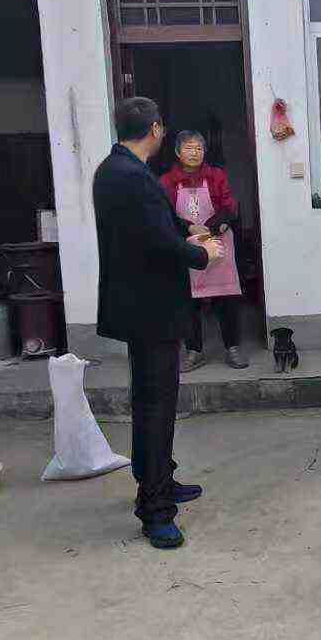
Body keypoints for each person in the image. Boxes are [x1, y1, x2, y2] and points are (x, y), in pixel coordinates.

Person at [93, 97, 221, 550]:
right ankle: (156, 509)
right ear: (155, 129)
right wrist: (202, 253)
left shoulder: (118, 170)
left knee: (152, 402)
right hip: (150, 311)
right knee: (155, 407)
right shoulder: (130, 176)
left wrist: (186, 232)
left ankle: (160, 479)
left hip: (142, 307)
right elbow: (155, 242)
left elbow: (151, 228)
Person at [161, 130, 249, 372]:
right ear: (178, 152)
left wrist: (216, 225)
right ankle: (194, 351)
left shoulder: (216, 176)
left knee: (227, 298)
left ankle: (233, 347)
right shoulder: (167, 181)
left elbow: (229, 206)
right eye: (189, 148)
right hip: (185, 245)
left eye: (199, 148)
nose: (194, 152)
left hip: (217, 242)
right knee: (189, 301)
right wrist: (188, 228)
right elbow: (164, 213)